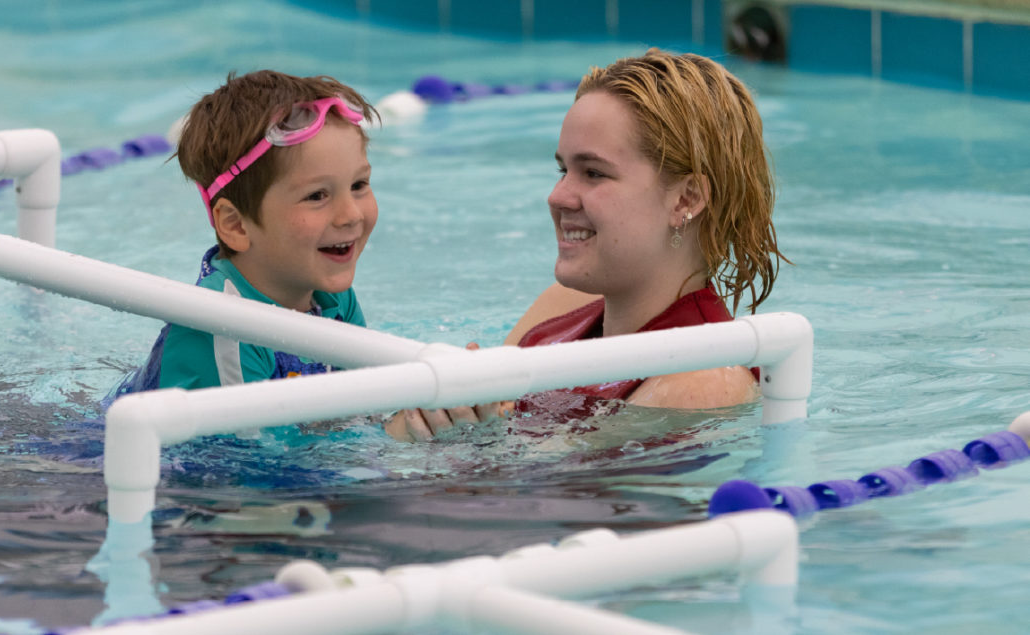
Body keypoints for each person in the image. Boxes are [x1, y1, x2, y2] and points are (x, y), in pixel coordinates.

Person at [386, 48, 785, 441]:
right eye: (564, 169)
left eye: (593, 173)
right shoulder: (561, 305)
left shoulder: (704, 381)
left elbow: (538, 497)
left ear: (686, 198)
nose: (557, 196)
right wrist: (428, 414)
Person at [116, 71, 379, 394]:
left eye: (359, 185)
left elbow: (366, 401)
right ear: (235, 225)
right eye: (316, 196)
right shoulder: (222, 328)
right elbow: (244, 445)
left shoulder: (330, 297)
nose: (351, 214)